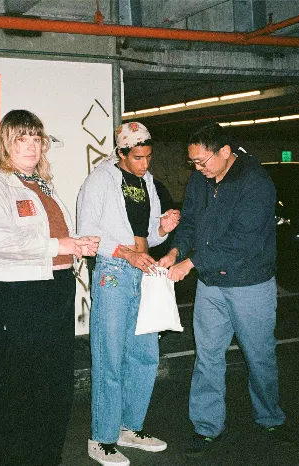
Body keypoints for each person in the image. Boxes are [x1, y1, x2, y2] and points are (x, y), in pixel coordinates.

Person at [0, 109, 99, 465]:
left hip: (54, 290)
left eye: (36, 138)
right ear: (5, 143)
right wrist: (62, 246)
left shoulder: (42, 185)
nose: (30, 146)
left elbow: (48, 237)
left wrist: (76, 245)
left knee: (55, 387)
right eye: (21, 138)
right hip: (16, 296)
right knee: (17, 391)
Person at [158, 123, 288, 456]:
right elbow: (189, 222)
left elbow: (242, 241)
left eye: (202, 161)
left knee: (259, 356)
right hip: (211, 286)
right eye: (193, 163)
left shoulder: (256, 183)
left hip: (250, 284)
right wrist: (175, 251)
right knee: (208, 357)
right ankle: (206, 426)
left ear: (225, 151)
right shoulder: (201, 181)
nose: (197, 168)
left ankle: (270, 417)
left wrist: (189, 264)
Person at [77, 121, 180, 466]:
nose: (145, 164)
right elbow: (88, 237)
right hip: (114, 273)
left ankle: (129, 428)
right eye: (137, 157)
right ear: (121, 153)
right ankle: (102, 438)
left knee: (145, 354)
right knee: (110, 356)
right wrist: (128, 254)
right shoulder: (99, 181)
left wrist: (162, 228)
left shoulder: (147, 181)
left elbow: (148, 236)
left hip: (143, 272)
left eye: (148, 157)